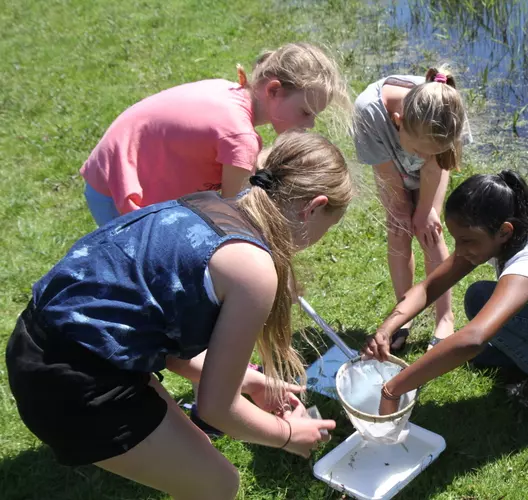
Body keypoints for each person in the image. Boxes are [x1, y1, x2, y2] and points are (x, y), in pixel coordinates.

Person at [6, 131, 353, 500]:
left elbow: (160, 336)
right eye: (326, 228)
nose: (319, 239)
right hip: (75, 382)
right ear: (313, 208)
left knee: (196, 458)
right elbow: (218, 410)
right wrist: (287, 435)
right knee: (217, 485)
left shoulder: (206, 206)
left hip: (40, 341)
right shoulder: (254, 269)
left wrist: (251, 384)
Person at [363, 171, 528, 413]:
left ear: (505, 231)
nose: (460, 250)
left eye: (467, 240)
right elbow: (429, 287)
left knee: (483, 309)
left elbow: (473, 338)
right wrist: (389, 327)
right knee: (482, 335)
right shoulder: (524, 231)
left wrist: (393, 388)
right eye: (456, 239)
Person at [81, 42, 349, 226]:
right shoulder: (239, 137)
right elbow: (235, 214)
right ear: (274, 90)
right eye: (305, 112)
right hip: (117, 189)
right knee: (148, 269)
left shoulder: (229, 92)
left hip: (110, 168)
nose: (310, 124)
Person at [353, 66, 472, 352]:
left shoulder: (446, 108)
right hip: (391, 169)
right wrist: (402, 210)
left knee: (430, 231)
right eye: (417, 150)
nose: (419, 156)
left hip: (436, 169)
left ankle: (445, 317)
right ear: (398, 121)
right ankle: (402, 315)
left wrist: (426, 210)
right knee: (398, 230)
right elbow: (388, 177)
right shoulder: (369, 112)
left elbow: (434, 163)